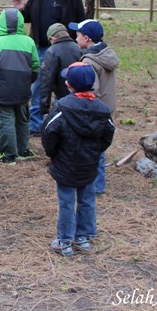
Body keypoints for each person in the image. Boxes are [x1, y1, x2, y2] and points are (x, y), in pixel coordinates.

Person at [41, 62, 114, 257]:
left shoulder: (62, 107)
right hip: (89, 163)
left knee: (66, 201)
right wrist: (96, 152)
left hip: (66, 163)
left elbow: (48, 133)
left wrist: (54, 154)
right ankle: (83, 237)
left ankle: (64, 240)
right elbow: (108, 134)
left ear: (69, 85)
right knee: (87, 199)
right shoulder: (102, 108)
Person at [15, 0, 85, 136]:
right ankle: (36, 125)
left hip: (66, 49)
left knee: (65, 85)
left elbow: (81, 19)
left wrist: (81, 43)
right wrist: (22, 9)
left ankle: (67, 119)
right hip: (42, 49)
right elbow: (28, 16)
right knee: (39, 86)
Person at [0, 8, 39, 164]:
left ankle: (8, 155)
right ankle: (23, 150)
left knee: (5, 121)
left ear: (1, 23)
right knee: (22, 120)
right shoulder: (29, 42)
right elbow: (35, 66)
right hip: (23, 89)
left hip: (1, 90)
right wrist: (29, 81)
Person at [69, 18, 119, 195]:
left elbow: (91, 91)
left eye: (78, 35)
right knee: (98, 148)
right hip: (107, 107)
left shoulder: (90, 62)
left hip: (95, 112)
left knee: (92, 149)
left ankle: (95, 186)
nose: (76, 38)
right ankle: (97, 184)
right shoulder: (106, 54)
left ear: (87, 38)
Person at [38, 22, 83, 117]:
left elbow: (46, 80)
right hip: (80, 97)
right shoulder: (79, 48)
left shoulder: (52, 51)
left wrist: (44, 106)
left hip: (62, 98)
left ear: (52, 38)